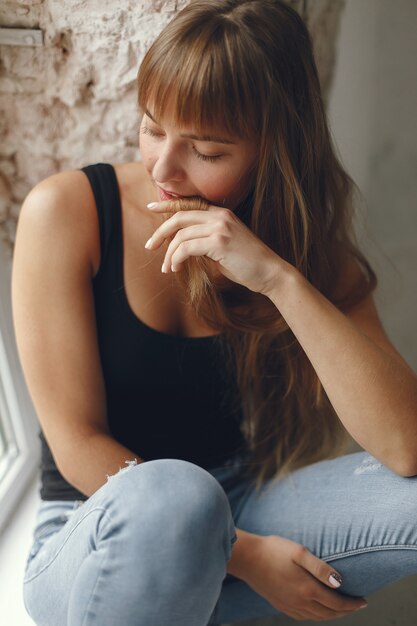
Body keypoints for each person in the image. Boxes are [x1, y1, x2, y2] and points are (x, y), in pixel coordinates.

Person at [12, 1, 417, 625]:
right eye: (152, 128)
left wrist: (280, 279)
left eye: (204, 149)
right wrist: (244, 554)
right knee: (180, 497)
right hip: (96, 532)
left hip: (241, 503)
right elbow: (75, 444)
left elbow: (406, 445)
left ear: (271, 149)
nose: (164, 169)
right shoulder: (68, 213)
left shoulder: (302, 250)